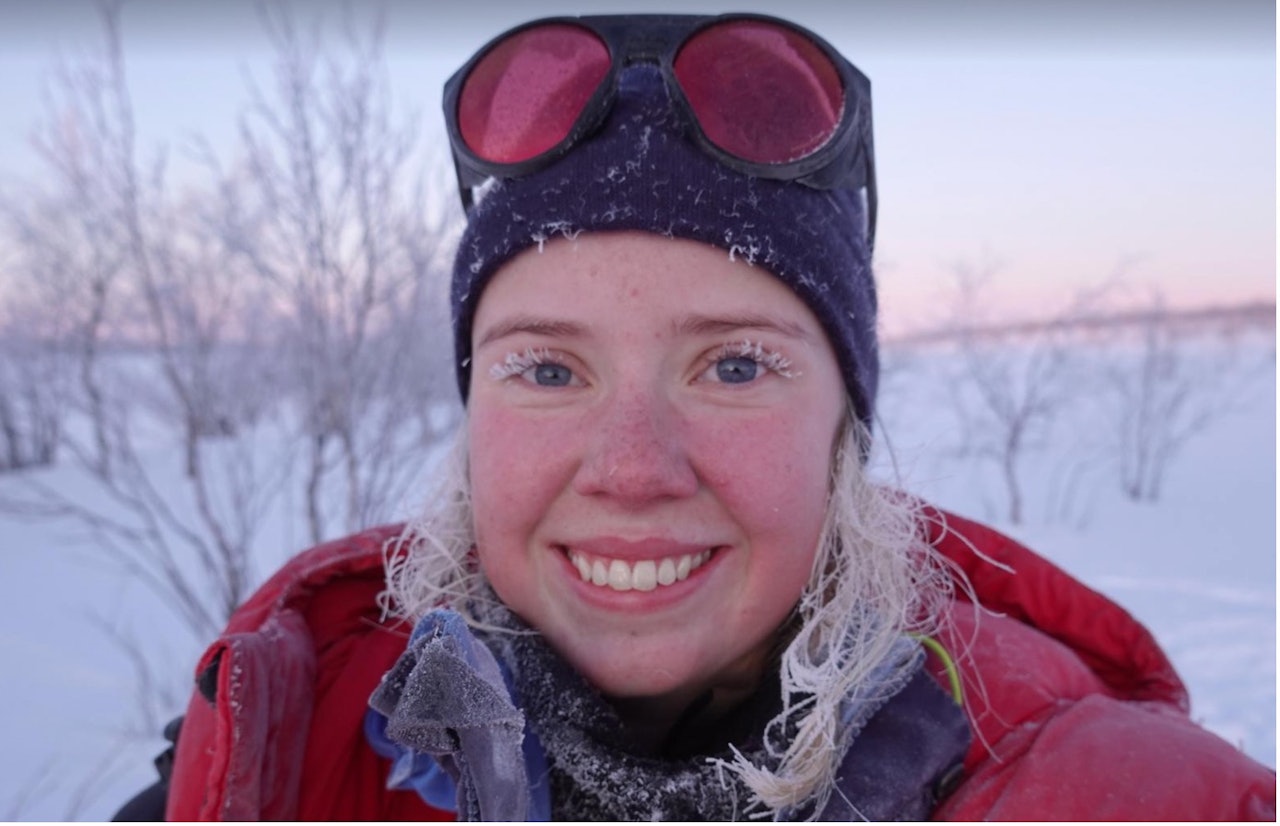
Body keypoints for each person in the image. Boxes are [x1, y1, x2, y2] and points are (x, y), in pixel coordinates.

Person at [134, 12, 1273, 821]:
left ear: (843, 432)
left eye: (732, 366)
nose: (632, 470)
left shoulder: (1127, 799)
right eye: (547, 371)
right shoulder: (274, 745)